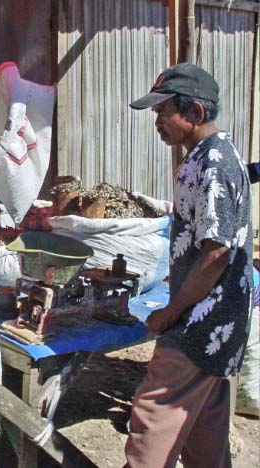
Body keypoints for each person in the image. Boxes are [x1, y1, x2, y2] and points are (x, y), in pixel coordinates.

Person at [126, 62, 253, 468]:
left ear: (194, 112)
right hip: (217, 319)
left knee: (154, 414)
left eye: (163, 112)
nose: (157, 122)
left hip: (202, 322)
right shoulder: (208, 155)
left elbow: (217, 253)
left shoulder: (214, 162)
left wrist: (172, 311)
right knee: (203, 426)